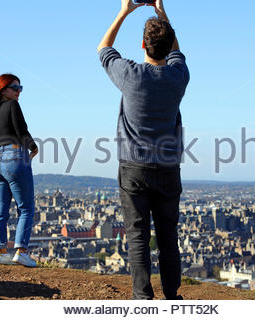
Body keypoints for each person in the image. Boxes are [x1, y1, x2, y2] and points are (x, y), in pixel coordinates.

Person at [98, 0, 190, 299]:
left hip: (133, 167)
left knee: (138, 237)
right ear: (168, 46)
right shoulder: (178, 77)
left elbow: (103, 48)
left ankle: (142, 298)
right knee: (168, 238)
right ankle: (172, 296)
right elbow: (176, 53)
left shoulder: (130, 75)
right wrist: (163, 15)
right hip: (168, 167)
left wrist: (124, 11)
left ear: (142, 44)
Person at [0, 73, 39, 267]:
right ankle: (21, 252)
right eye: (15, 88)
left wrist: (0, 149)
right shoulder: (12, 105)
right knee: (26, 208)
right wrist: (34, 147)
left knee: (0, 210)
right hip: (15, 157)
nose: (19, 92)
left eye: (21, 88)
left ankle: (1, 253)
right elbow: (22, 130)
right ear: (4, 89)